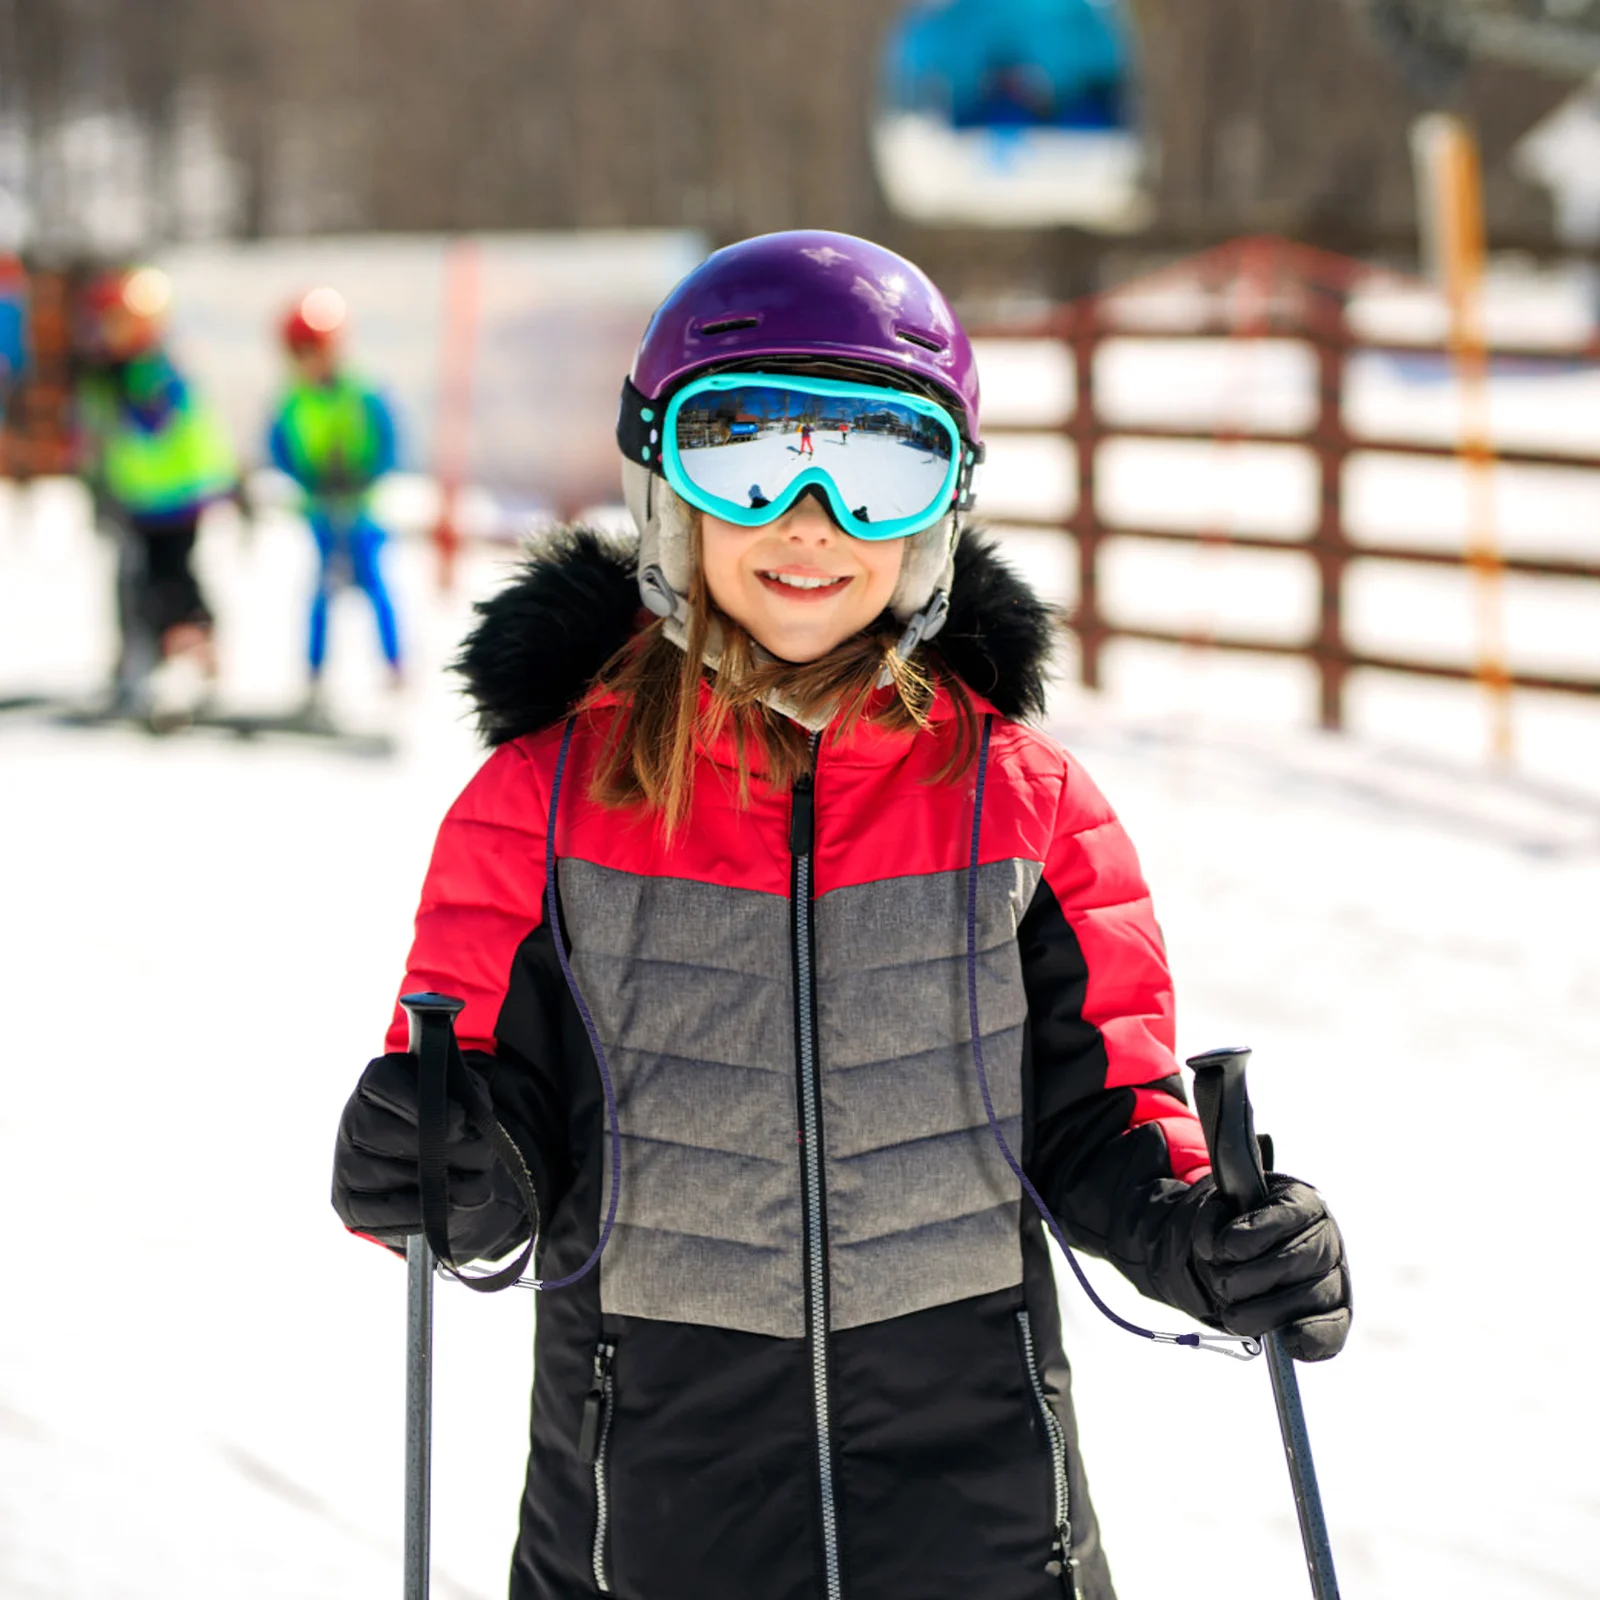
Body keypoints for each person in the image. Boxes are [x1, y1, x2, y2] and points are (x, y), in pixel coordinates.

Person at [330, 231, 1350, 1600]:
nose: (810, 522)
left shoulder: (1025, 806)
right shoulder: (541, 805)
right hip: (648, 1529)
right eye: (747, 456)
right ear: (666, 490)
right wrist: (438, 1165)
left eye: (877, 468)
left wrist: (1206, 1236)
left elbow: (1104, 1112)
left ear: (939, 511)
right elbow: (488, 1117)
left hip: (984, 1529)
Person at [75, 266, 238, 720]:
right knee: (140, 580)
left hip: (177, 495)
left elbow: (157, 422)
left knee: (172, 579)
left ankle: (189, 655)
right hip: (139, 498)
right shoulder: (116, 371)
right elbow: (97, 435)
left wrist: (122, 391)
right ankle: (146, 660)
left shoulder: (159, 366)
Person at [267, 288, 403, 704]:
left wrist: (365, 476)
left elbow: (389, 442)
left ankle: (395, 667)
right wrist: (308, 479)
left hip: (362, 511)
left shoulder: (361, 393)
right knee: (321, 592)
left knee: (375, 585)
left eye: (314, 350)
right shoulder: (293, 400)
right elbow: (279, 450)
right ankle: (314, 674)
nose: (308, 362)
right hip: (321, 511)